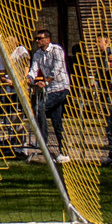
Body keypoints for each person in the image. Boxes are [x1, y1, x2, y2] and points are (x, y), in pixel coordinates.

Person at [27, 28, 69, 161]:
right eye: (37, 39)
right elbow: (34, 69)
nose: (37, 41)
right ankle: (64, 152)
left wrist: (46, 81)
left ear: (47, 39)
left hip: (60, 88)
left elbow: (57, 68)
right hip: (49, 90)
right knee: (57, 121)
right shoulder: (37, 54)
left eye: (40, 38)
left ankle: (43, 142)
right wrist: (29, 79)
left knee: (39, 108)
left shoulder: (57, 50)